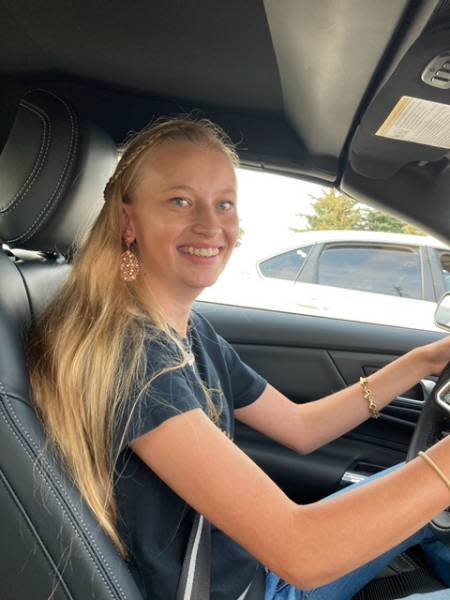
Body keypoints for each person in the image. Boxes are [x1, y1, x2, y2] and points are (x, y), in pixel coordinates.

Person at [27, 116, 450, 600]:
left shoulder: (188, 332)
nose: (211, 225)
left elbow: (300, 427)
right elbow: (304, 553)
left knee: (412, 491)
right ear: (128, 222)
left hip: (258, 565)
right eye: (180, 201)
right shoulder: (132, 361)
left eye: (223, 204)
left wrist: (424, 360)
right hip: (254, 587)